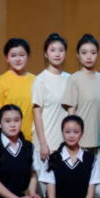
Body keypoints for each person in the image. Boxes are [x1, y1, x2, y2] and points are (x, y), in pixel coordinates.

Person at [63, 34, 100, 153]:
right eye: (84, 53)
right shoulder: (74, 79)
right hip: (81, 142)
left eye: (93, 52)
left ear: (97, 54)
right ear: (78, 55)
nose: (89, 56)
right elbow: (71, 115)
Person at [0, 38, 36, 142]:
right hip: (5, 141)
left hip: (29, 141)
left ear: (28, 56)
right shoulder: (0, 82)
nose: (18, 59)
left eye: (22, 55)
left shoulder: (36, 81)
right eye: (13, 56)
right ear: (7, 58)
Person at [32, 34, 71, 162]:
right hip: (48, 144)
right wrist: (43, 143)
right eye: (53, 50)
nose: (57, 54)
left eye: (61, 50)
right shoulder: (40, 80)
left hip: (67, 142)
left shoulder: (70, 79)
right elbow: (37, 114)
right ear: (45, 54)